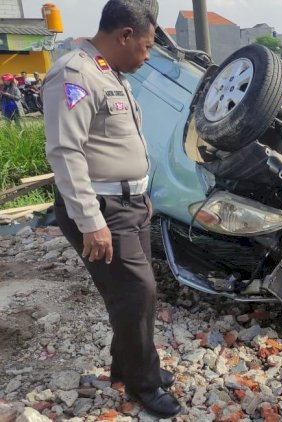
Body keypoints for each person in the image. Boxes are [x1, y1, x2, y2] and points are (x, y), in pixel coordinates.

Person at [43, 1, 181, 418]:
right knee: (138, 291)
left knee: (132, 293)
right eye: (145, 45)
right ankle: (143, 384)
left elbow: (116, 144)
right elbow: (65, 151)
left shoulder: (109, 72)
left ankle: (126, 365)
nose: (148, 54)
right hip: (101, 208)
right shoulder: (74, 73)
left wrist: (139, 193)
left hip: (127, 203)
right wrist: (91, 221)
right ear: (123, 36)